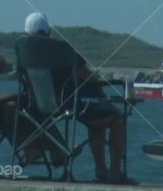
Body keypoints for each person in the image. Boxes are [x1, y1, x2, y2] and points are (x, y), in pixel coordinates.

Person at [23, 12, 128, 183]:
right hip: (72, 105)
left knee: (97, 120)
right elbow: (86, 75)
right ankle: (113, 172)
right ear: (48, 31)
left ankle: (101, 170)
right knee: (116, 120)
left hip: (40, 106)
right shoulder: (61, 49)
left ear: (26, 32)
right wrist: (102, 96)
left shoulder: (23, 51)